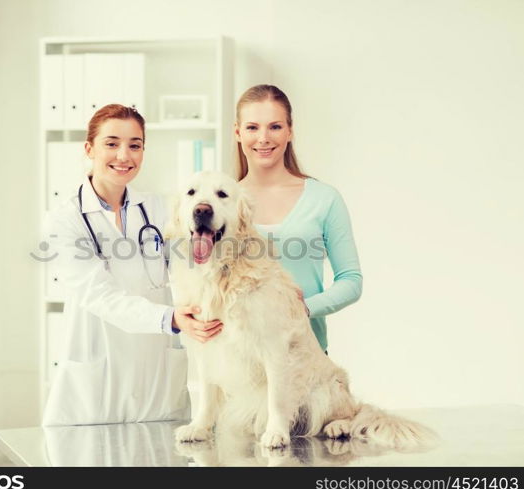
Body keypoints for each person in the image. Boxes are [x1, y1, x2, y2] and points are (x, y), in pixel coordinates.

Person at [42, 104, 221, 426]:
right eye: (111, 144)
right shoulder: (64, 219)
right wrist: (172, 318)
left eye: (135, 145)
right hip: (97, 382)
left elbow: (198, 260)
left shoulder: (157, 208)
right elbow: (99, 295)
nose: (124, 155)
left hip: (156, 377)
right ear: (89, 149)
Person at [234, 85, 362, 353]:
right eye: (252, 127)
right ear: (238, 132)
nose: (263, 138)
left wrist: (303, 308)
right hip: (240, 357)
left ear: (290, 131)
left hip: (305, 355)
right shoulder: (221, 204)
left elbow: (351, 280)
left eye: (275, 127)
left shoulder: (324, 198)